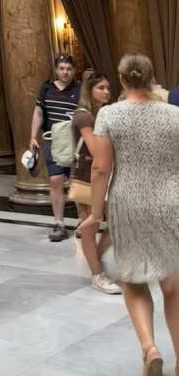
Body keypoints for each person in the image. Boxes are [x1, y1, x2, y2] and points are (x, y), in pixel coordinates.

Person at [79, 54, 179, 376]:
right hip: (170, 202)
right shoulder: (174, 115)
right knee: (173, 286)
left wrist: (95, 214)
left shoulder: (110, 114)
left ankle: (150, 349)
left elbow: (100, 168)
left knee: (135, 281)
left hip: (129, 203)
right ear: (152, 78)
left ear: (122, 81)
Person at [70, 72, 120, 295]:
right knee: (90, 226)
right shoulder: (84, 116)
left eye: (108, 87)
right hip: (86, 175)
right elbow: (94, 149)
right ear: (89, 90)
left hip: (105, 173)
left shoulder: (102, 113)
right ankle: (97, 274)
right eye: (101, 87)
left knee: (117, 223)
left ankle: (95, 260)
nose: (106, 91)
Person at [30, 53, 80, 242]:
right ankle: (59, 223)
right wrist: (32, 137)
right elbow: (38, 112)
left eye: (68, 69)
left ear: (73, 70)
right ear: (56, 69)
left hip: (75, 141)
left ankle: (82, 221)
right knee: (56, 180)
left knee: (77, 182)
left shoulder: (79, 89)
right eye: (62, 68)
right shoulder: (46, 88)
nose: (65, 72)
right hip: (53, 141)